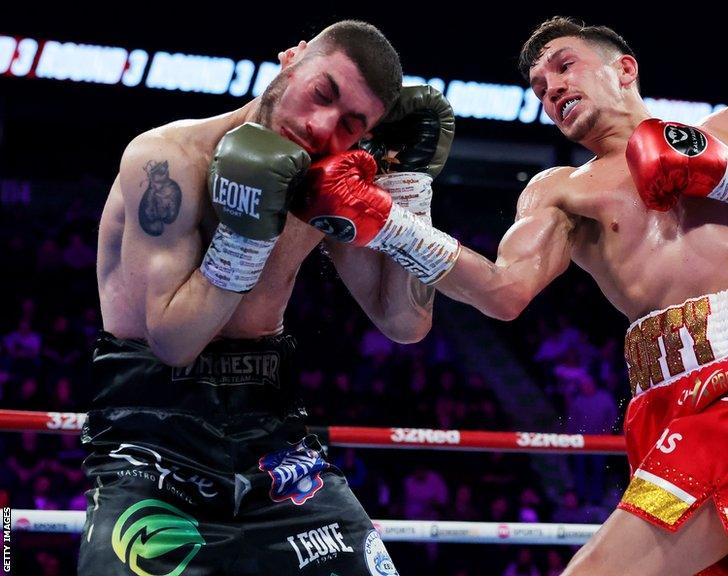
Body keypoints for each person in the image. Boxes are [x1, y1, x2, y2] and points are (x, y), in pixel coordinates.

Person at [310, 15, 728, 576]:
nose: (552, 88)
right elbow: (502, 293)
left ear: (624, 69)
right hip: (659, 407)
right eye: (539, 88)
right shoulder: (560, 192)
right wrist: (389, 221)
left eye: (564, 66)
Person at [81, 19, 455, 575]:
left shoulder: (327, 186)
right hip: (150, 442)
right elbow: (173, 341)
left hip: (276, 443)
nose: (320, 126)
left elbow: (405, 322)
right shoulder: (167, 160)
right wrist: (244, 233)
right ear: (292, 59)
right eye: (322, 93)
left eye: (351, 125)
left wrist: (411, 188)